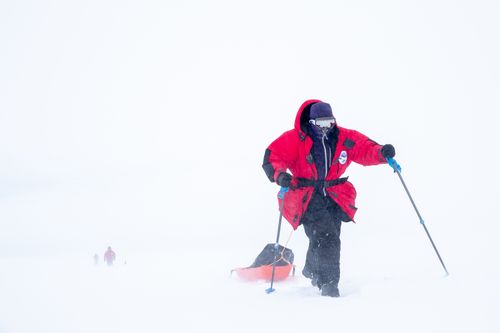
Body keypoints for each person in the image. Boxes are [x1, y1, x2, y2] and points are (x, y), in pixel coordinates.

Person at [262, 100, 396, 297]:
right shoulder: (295, 138)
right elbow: (273, 156)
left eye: (329, 123)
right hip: (306, 196)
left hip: (335, 195)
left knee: (325, 235)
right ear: (311, 122)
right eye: (321, 124)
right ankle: (329, 284)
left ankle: (313, 271)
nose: (326, 128)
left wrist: (382, 153)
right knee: (327, 237)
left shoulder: (344, 137)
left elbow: (364, 148)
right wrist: (280, 175)